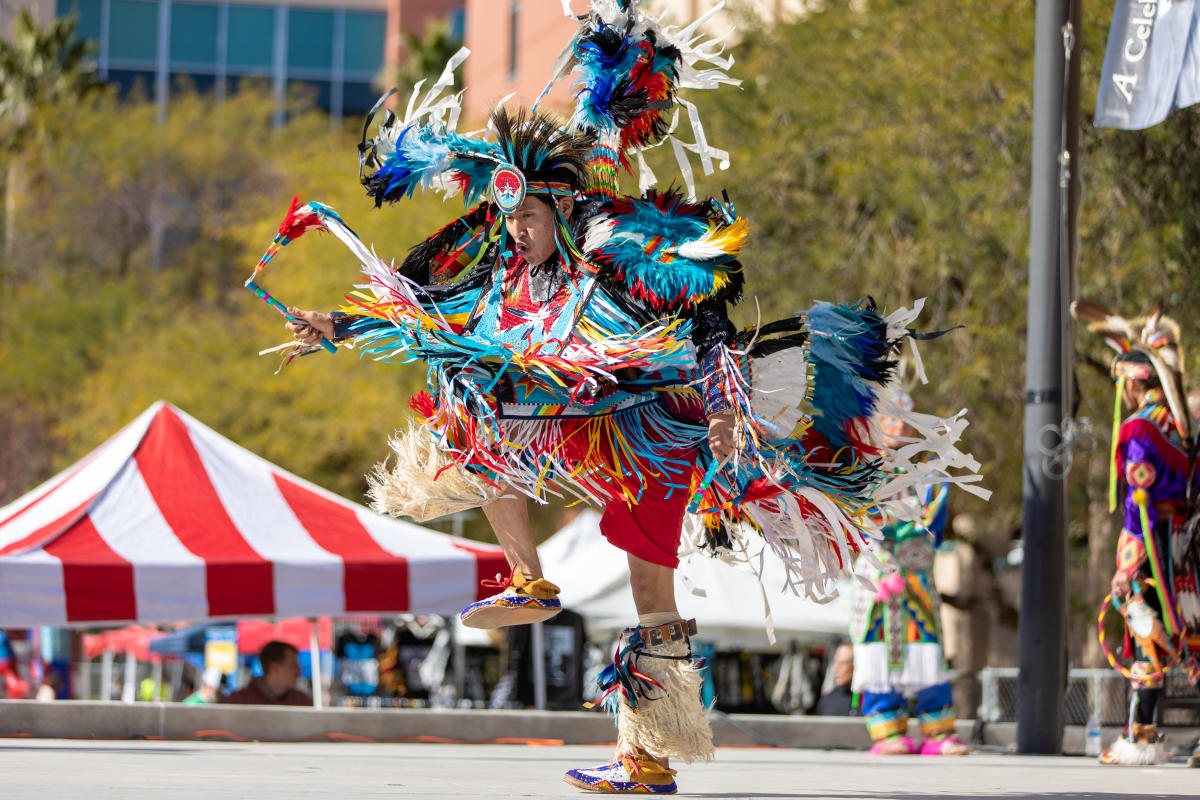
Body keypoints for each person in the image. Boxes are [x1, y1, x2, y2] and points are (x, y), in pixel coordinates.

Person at [273, 2, 984, 791]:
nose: (516, 229)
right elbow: (418, 297)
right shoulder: (506, 265)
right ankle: (526, 575)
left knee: (651, 584)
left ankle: (646, 757)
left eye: (530, 216)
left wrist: (721, 407)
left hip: (654, 424)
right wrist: (334, 323)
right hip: (566, 412)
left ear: (566, 208)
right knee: (460, 389)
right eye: (509, 215)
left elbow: (709, 313)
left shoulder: (619, 242)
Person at [1075, 301, 1197, 766]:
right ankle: (1141, 733)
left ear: (1133, 380)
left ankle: (1141, 737)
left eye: (1123, 382)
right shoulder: (1181, 427)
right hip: (1184, 545)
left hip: (1153, 546)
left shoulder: (1141, 426)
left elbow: (1138, 502)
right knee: (1183, 634)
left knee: (1146, 631)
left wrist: (1126, 566)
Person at [849, 394, 966, 756]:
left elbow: (931, 520)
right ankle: (887, 728)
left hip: (915, 577)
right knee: (877, 651)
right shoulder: (860, 469)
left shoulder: (931, 473)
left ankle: (938, 728)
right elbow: (861, 520)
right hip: (878, 581)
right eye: (889, 420)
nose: (898, 429)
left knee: (927, 647)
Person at [221, 641, 311, 707]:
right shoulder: (239, 701)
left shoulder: (302, 701)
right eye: (293, 665)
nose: (299, 669)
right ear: (274, 667)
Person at [814, 642, 857, 716]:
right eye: (836, 663)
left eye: (842, 663)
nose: (836, 668)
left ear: (856, 664)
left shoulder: (872, 703)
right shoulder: (827, 701)